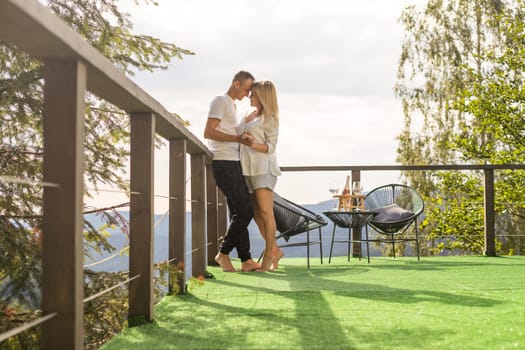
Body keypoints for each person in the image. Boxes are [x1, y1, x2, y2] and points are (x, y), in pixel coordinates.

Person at [204, 71, 261, 272]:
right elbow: (209, 132)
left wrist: (243, 125)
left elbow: (227, 131)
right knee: (245, 210)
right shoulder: (220, 100)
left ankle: (246, 260)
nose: (247, 94)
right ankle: (223, 253)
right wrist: (238, 139)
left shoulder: (232, 106)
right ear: (236, 84)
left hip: (233, 162)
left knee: (238, 211)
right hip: (224, 163)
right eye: (246, 89)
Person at [237, 80, 284, 271]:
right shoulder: (248, 114)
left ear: (263, 96)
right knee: (256, 214)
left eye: (253, 94)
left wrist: (252, 143)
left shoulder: (270, 118)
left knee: (265, 213)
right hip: (246, 169)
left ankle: (267, 255)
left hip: (263, 169)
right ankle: (275, 250)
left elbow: (271, 147)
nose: (249, 97)